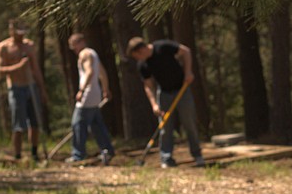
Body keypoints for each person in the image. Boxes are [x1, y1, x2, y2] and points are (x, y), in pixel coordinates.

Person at [126, 36, 204, 168]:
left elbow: (186, 51)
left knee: (189, 123)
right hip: (164, 93)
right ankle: (166, 158)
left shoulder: (162, 47)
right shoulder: (143, 64)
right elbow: (148, 85)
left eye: (136, 56)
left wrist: (188, 72)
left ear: (141, 50)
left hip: (182, 89)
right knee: (165, 128)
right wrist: (154, 104)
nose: (137, 59)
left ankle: (197, 155)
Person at [0, 19, 48, 161]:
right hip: (16, 88)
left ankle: (34, 154)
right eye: (18, 33)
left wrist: (42, 89)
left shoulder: (29, 45)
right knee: (18, 124)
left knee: (35, 123)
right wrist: (18, 66)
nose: (21, 36)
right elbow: (0, 70)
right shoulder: (4, 47)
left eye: (22, 33)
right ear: (11, 31)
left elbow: (36, 69)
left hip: (31, 86)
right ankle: (17, 155)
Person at [67, 33, 115, 166]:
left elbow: (90, 72)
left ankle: (78, 154)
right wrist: (105, 89)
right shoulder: (93, 54)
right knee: (97, 124)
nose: (74, 49)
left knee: (78, 124)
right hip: (96, 95)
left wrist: (81, 90)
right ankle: (107, 150)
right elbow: (102, 73)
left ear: (81, 42)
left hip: (87, 96)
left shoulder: (84, 54)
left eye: (74, 46)